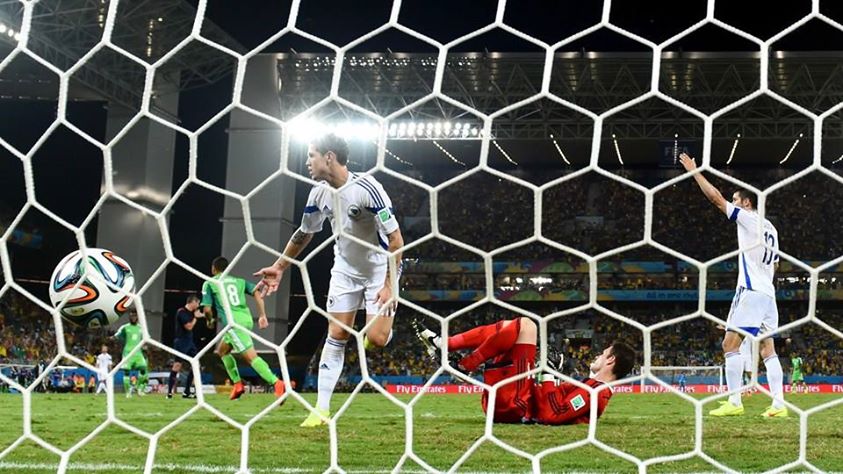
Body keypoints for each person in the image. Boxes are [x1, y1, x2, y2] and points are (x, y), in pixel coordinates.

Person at [253, 133, 404, 427]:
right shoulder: (318, 193)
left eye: (312, 155)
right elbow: (304, 233)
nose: (308, 161)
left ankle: (383, 328)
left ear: (329, 157)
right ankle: (321, 410)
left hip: (379, 270)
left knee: (377, 339)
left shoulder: (368, 189)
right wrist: (280, 266)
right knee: (336, 333)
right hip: (345, 272)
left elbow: (396, 240)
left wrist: (389, 284)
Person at [679, 153, 786, 417]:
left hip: (750, 291)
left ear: (747, 202)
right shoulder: (771, 228)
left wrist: (694, 172)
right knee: (767, 348)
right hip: (768, 295)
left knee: (730, 344)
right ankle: (779, 405)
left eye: (737, 200)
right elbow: (776, 265)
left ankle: (735, 402)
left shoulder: (749, 218)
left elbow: (716, 200)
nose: (734, 203)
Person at [414, 318, 635, 425]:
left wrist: (549, 375)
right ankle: (445, 345)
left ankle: (462, 364)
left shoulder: (596, 393)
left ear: (611, 360)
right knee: (508, 327)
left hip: (518, 406)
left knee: (527, 326)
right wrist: (552, 376)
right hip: (515, 399)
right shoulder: (590, 387)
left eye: (603, 353)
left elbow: (552, 414)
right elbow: (556, 402)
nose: (598, 355)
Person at [201, 257, 285, 401]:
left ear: (213, 269)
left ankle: (276, 383)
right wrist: (262, 315)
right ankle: (238, 385)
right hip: (245, 320)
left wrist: (210, 320)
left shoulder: (210, 283)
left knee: (250, 357)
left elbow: (207, 309)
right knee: (222, 351)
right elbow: (257, 292)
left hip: (234, 323)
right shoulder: (238, 281)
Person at [168, 294, 204, 399]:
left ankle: (187, 391)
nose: (198, 305)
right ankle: (169, 393)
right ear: (192, 302)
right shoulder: (181, 312)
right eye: (197, 303)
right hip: (181, 342)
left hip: (190, 342)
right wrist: (196, 318)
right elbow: (189, 327)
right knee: (177, 366)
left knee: (196, 365)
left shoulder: (191, 313)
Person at [114, 312, 148, 398]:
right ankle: (128, 392)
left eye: (135, 316)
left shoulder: (141, 328)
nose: (133, 317)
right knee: (126, 372)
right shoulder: (125, 327)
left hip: (138, 353)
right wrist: (111, 338)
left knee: (143, 368)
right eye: (131, 316)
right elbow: (117, 336)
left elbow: (146, 339)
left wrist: (145, 346)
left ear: (137, 317)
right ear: (129, 317)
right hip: (128, 353)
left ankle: (139, 388)